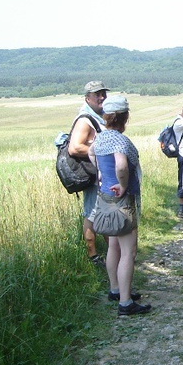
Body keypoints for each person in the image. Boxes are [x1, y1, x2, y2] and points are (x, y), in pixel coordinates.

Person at [88, 95, 151, 316]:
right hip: (122, 201)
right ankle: (125, 302)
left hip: (106, 197)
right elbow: (122, 166)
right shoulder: (119, 140)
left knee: (113, 246)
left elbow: (91, 155)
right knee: (128, 251)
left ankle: (115, 289)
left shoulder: (100, 138)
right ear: (124, 116)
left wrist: (105, 177)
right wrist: (123, 185)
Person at [68, 80, 108, 266]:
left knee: (100, 213)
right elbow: (75, 148)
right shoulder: (85, 120)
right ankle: (93, 257)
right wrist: (102, 152)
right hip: (93, 177)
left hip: (99, 176)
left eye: (103, 94)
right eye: (97, 95)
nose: (102, 97)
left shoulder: (95, 117)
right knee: (91, 214)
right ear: (87, 98)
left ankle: (109, 253)